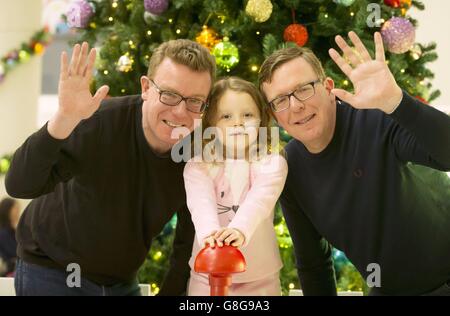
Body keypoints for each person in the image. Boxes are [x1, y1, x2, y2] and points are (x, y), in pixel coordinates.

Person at [5, 39, 216, 295]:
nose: (180, 112)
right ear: (146, 87)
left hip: (120, 283)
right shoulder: (98, 121)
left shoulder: (197, 155)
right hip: (53, 270)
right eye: (169, 95)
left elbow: (190, 238)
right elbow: (19, 184)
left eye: (195, 101)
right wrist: (63, 118)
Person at [259, 31, 450, 296]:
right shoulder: (289, 169)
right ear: (274, 116)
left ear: (327, 88)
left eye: (303, 89)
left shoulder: (376, 115)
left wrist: (397, 102)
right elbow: (313, 263)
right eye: (280, 100)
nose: (296, 106)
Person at [183, 77, 288, 295]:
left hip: (260, 276)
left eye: (247, 115)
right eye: (226, 116)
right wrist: (211, 238)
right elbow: (200, 203)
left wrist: (238, 230)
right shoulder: (198, 166)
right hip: (207, 274)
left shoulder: (272, 163)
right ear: (211, 123)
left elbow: (259, 200)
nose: (238, 123)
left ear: (261, 119)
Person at [0, 197, 20, 277]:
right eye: (15, 208)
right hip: (8, 273)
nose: (18, 211)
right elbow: (15, 252)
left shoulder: (14, 231)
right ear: (7, 211)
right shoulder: (3, 232)